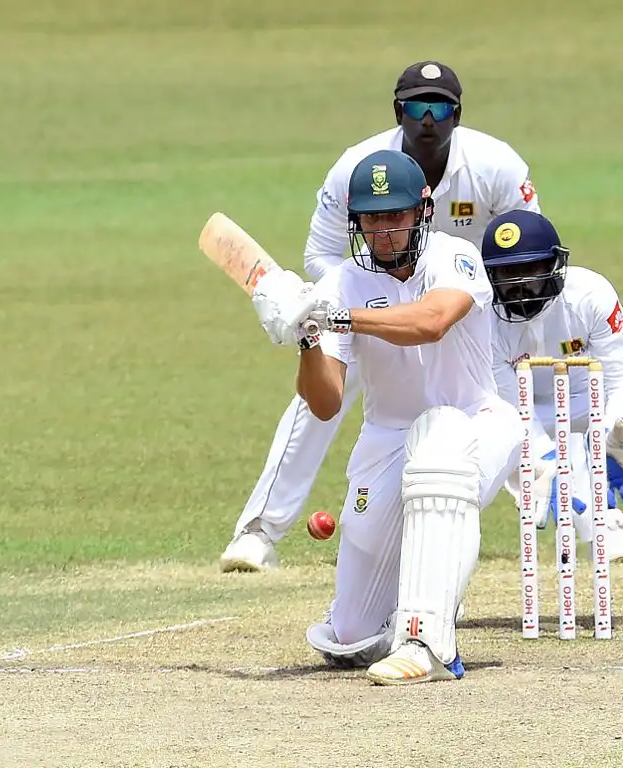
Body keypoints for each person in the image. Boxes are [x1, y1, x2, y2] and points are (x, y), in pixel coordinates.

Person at [221, 60, 541, 572]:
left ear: (458, 114)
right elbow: (322, 254)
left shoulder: (496, 165)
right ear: (398, 111)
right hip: (367, 301)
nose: (428, 119)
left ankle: (583, 519)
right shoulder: (355, 168)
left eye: (440, 108)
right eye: (417, 107)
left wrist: (459, 305)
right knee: (314, 398)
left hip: (472, 306)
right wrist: (328, 311)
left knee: (506, 405)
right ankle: (259, 531)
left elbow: (525, 250)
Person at [251, 149, 521, 683]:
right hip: (386, 439)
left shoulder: (455, 255)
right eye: (372, 219)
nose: (384, 231)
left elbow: (432, 322)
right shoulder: (339, 284)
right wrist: (307, 336)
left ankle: (427, 643)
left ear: (423, 210)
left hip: (474, 421)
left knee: (439, 448)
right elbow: (325, 402)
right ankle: (414, 604)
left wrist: (340, 317)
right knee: (351, 634)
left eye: (395, 215)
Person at [482, 210, 623, 628]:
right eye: (506, 273)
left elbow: (621, 380)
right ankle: (441, 594)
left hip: (604, 394)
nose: (518, 284)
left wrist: (611, 440)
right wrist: (546, 465)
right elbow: (511, 407)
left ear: (554, 264)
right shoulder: (482, 317)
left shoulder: (590, 294)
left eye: (529, 270)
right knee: (455, 453)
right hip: (528, 409)